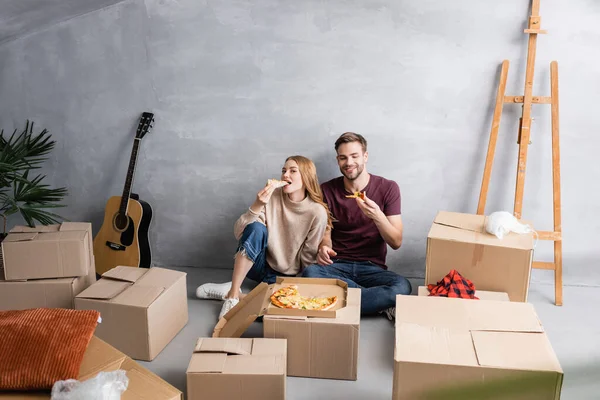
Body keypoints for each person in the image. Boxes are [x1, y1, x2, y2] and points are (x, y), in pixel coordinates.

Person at [196, 155, 332, 320]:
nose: (285, 175)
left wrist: (296, 287)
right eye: (283, 171)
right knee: (255, 227)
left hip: (286, 275)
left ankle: (233, 290)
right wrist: (257, 205)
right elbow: (240, 233)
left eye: (292, 171)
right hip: (258, 265)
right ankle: (232, 296)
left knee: (271, 313)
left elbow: (309, 255)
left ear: (306, 177)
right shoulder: (272, 197)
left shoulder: (317, 212)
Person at [301, 132, 412, 320]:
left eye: (354, 156)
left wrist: (377, 216)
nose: (349, 162)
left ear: (365, 156)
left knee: (402, 287)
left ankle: (339, 300)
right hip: (337, 266)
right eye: (343, 158)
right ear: (338, 160)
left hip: (372, 268)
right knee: (309, 273)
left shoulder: (388, 188)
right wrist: (324, 247)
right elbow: (326, 232)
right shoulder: (326, 190)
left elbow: (396, 241)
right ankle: (375, 305)